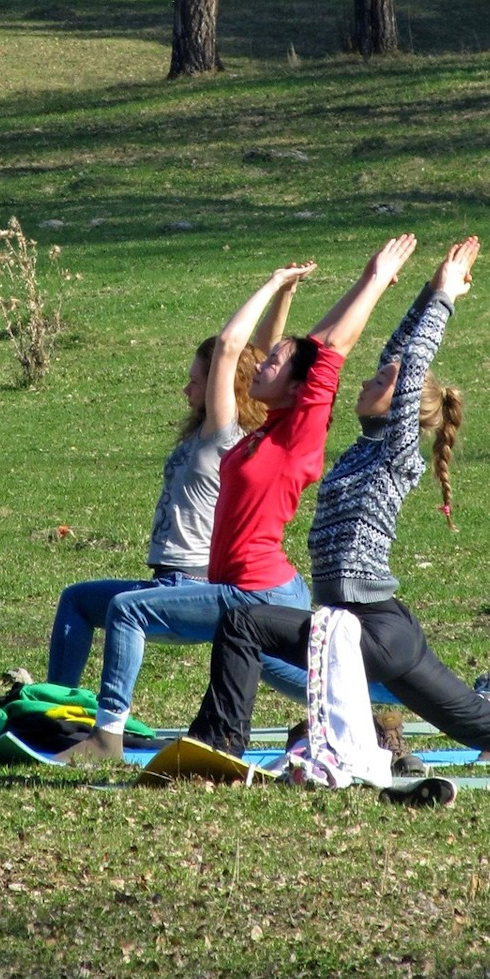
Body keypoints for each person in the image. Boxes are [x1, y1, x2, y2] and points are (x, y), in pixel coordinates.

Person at [185, 236, 490, 789]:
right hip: (377, 624)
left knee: (243, 622)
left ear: (405, 405)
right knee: (484, 724)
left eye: (382, 383)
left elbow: (411, 362)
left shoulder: (397, 450)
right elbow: (397, 353)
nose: (368, 381)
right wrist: (419, 295)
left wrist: (443, 298)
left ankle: (218, 747)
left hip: (366, 623)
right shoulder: (367, 446)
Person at [59, 235, 421, 763]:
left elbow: (322, 350)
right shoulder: (261, 429)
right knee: (309, 679)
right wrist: (291, 301)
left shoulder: (299, 433)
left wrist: (369, 280)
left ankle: (105, 738)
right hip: (253, 591)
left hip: (256, 591)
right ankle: (394, 712)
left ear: (300, 389)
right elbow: (292, 347)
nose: (263, 365)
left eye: (276, 363)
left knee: (127, 611)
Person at [45, 264, 313, 695]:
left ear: (218, 390)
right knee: (77, 599)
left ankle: (99, 723)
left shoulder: (221, 432)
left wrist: (273, 282)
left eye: (195, 383)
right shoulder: (233, 427)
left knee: (120, 610)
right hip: (178, 581)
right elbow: (254, 357)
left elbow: (231, 350)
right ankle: (54, 704)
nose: (187, 391)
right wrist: (286, 296)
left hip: (190, 583)